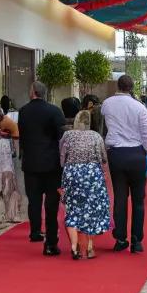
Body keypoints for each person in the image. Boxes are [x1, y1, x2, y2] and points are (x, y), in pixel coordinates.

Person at [101, 75, 147, 253]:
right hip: (136, 154)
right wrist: (144, 151)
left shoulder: (107, 104)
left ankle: (120, 238)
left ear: (118, 85)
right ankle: (136, 240)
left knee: (120, 197)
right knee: (138, 199)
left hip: (116, 154)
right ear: (132, 88)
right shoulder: (139, 107)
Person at [17, 80, 66, 255]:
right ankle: (51, 243)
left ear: (33, 92)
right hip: (52, 163)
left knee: (34, 200)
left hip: (31, 162)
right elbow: (62, 136)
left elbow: (23, 135)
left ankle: (35, 231)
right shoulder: (54, 111)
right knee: (51, 204)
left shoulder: (23, 111)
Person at [60, 110, 110, 258]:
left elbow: (62, 157)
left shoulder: (68, 135)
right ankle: (89, 247)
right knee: (92, 209)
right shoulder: (96, 136)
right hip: (92, 174)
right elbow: (103, 157)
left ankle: (74, 247)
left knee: (72, 209)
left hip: (72, 173)